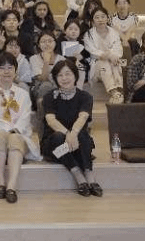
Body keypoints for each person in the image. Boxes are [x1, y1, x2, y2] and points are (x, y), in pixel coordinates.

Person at [0, 52, 40, 204]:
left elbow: (25, 119)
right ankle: (0, 183)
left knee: (15, 138)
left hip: (16, 134)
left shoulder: (23, 94)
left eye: (10, 67)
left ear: (15, 70)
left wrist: (13, 131)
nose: (6, 71)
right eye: (2, 68)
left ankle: (11, 187)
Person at [42, 60, 102, 197]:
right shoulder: (49, 97)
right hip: (56, 148)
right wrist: (68, 134)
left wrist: (73, 134)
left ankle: (89, 176)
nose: (64, 78)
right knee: (58, 137)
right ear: (55, 78)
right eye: (60, 75)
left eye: (68, 74)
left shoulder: (85, 97)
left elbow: (83, 117)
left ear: (75, 75)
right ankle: (79, 176)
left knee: (82, 135)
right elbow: (51, 120)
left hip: (77, 145)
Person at [83, 6, 124, 104]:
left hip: (114, 63)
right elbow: (93, 52)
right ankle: (114, 91)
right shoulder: (88, 35)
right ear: (93, 20)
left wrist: (112, 56)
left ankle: (118, 92)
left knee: (115, 62)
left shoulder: (114, 32)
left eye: (103, 16)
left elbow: (118, 49)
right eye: (97, 17)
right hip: (97, 68)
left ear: (107, 18)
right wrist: (109, 55)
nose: (100, 19)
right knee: (104, 63)